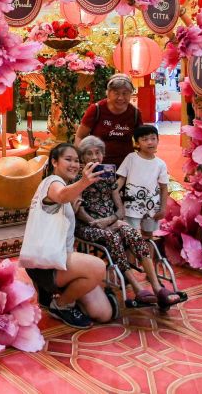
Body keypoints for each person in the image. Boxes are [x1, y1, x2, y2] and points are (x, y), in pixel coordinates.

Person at [74, 136, 182, 308]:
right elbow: (78, 210)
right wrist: (97, 222)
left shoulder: (108, 177)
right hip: (88, 226)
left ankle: (157, 287)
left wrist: (111, 220)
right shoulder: (77, 178)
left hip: (110, 222)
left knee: (132, 233)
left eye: (97, 153)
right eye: (89, 154)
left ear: (103, 155)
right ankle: (138, 288)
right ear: (82, 158)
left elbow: (120, 209)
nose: (94, 157)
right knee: (113, 238)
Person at [22, 143, 117, 329]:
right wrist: (85, 181)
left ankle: (57, 294)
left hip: (59, 260)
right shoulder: (51, 182)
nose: (74, 164)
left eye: (77, 161)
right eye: (68, 159)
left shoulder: (66, 190)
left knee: (104, 313)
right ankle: (61, 304)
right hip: (45, 264)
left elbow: (62, 202)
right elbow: (61, 195)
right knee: (98, 268)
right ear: (54, 162)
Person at [75, 73, 142, 169]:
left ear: (131, 94)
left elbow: (142, 140)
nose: (121, 98)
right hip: (98, 165)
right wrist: (81, 159)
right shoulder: (96, 109)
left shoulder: (135, 113)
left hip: (126, 167)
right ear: (108, 93)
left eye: (125, 93)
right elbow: (80, 136)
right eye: (116, 93)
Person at [117, 124, 170, 235]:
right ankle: (131, 253)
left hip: (152, 209)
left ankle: (148, 253)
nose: (150, 142)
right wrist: (113, 193)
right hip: (132, 208)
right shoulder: (131, 158)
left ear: (158, 140)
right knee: (130, 236)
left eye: (153, 138)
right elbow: (121, 180)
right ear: (137, 143)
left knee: (148, 235)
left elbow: (164, 188)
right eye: (144, 139)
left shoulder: (161, 164)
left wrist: (163, 209)